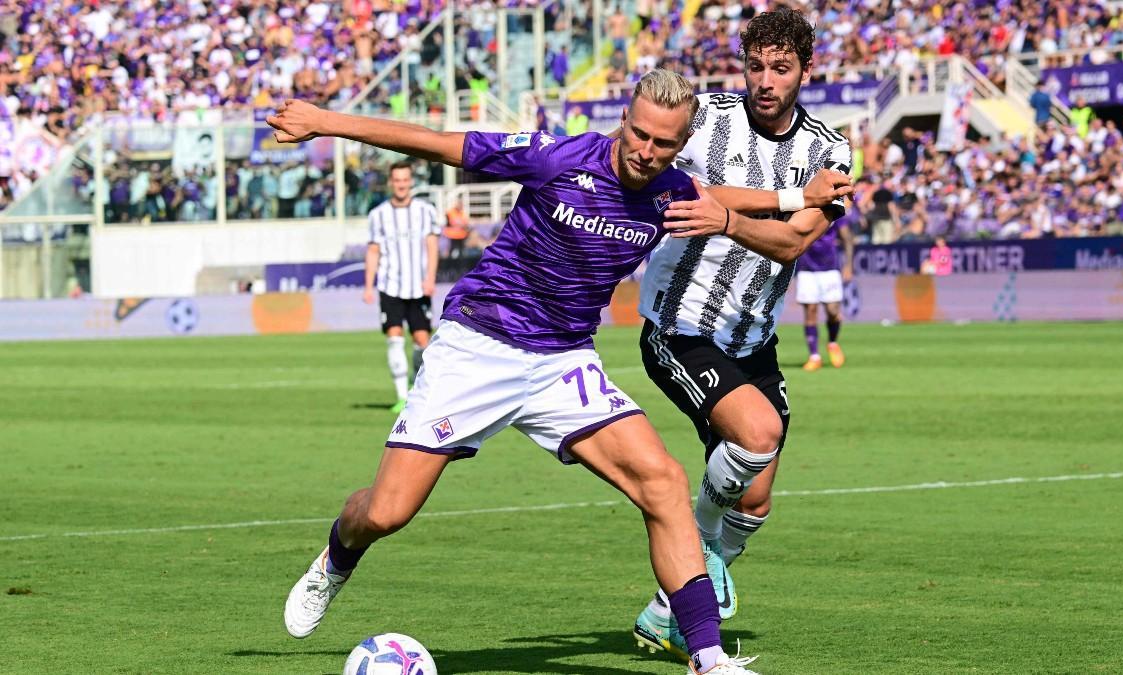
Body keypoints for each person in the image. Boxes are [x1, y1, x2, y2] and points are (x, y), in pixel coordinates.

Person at [267, 69, 843, 675]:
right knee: (386, 513)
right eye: (639, 135)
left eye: (664, 144)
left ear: (681, 144)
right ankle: (336, 558)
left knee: (664, 482)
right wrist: (323, 122)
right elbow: (440, 143)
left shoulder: (673, 190)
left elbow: (718, 196)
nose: (647, 152)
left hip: (562, 361)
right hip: (478, 346)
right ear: (624, 119)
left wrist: (797, 198)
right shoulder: (557, 157)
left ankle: (707, 657)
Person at [630, 8, 853, 661]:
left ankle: (665, 610)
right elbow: (669, 173)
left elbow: (792, 243)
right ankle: (696, 564)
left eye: (780, 68)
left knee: (754, 502)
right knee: (759, 434)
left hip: (754, 338)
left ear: (806, 71)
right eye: (755, 65)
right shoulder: (705, 120)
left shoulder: (829, 150)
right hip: (681, 323)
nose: (765, 79)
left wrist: (723, 214)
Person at [364, 161, 442, 413]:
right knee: (394, 338)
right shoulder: (378, 215)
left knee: (422, 341)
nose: (401, 184)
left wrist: (430, 278)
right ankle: (401, 397)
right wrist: (368, 286)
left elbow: (431, 246)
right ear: (390, 183)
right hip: (390, 285)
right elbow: (373, 251)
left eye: (405, 180)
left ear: (411, 182)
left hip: (418, 286)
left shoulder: (425, 210)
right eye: (396, 180)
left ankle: (418, 391)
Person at [795, 218, 854, 371]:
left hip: (830, 268)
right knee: (810, 312)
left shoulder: (835, 211)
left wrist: (848, 265)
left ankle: (832, 343)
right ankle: (814, 356)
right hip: (807, 269)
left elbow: (847, 238)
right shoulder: (804, 210)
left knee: (833, 311)